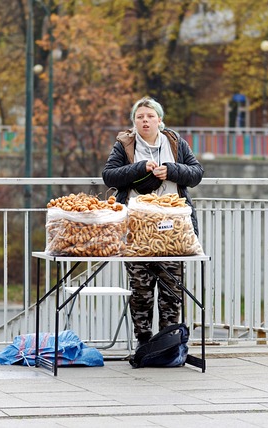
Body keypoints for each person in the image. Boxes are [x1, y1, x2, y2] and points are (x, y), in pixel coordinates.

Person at [102, 96, 204, 349]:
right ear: (134, 121)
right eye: (140, 117)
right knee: (140, 286)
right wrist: (139, 169)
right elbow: (109, 176)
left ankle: (169, 341)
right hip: (137, 226)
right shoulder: (124, 144)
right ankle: (144, 341)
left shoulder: (176, 143)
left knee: (172, 285)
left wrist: (171, 170)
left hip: (173, 227)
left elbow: (196, 173)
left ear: (159, 119)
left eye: (149, 116)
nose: (145, 121)